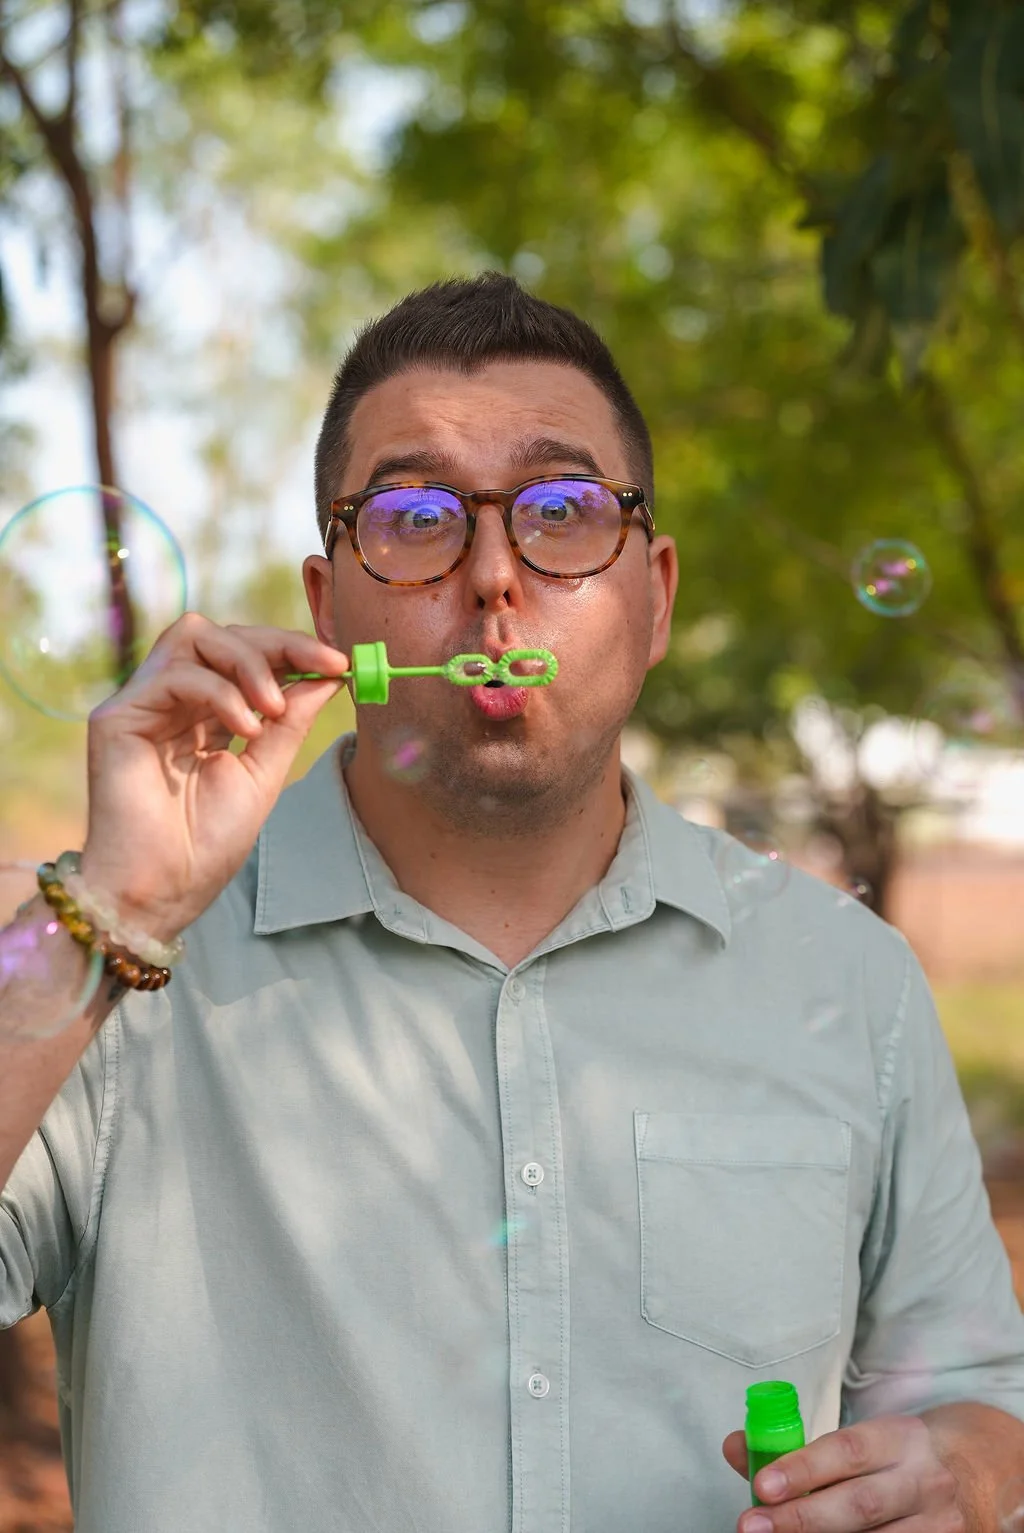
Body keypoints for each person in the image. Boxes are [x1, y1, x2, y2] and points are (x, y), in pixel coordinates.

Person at [1, 274, 1023, 1533]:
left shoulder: (847, 980)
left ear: (652, 599)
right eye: (418, 516)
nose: (492, 576)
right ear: (332, 609)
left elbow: (980, 1391)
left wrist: (966, 1475)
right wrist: (116, 904)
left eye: (560, 510)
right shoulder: (103, 972)